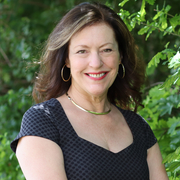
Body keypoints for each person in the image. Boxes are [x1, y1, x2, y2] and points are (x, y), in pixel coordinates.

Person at [11, 2, 169, 180]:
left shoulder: (139, 128)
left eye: (106, 50)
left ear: (120, 57)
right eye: (82, 51)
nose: (96, 63)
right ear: (66, 60)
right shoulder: (43, 122)